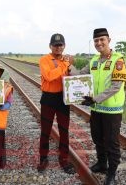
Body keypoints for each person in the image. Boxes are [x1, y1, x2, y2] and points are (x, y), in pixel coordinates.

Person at [80, 28, 126, 185]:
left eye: (102, 40)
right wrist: (68, 65)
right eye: (96, 41)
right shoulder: (93, 60)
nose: (99, 43)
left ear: (109, 40)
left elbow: (116, 87)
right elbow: (80, 75)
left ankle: (112, 173)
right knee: (97, 138)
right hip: (96, 109)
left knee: (112, 142)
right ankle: (102, 164)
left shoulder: (118, 60)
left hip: (112, 110)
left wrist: (95, 99)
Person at [38, 33, 75, 174]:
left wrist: (70, 68)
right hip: (48, 98)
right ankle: (43, 158)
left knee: (64, 131)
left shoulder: (67, 62)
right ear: (50, 46)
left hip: (63, 98)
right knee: (45, 130)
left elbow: (73, 78)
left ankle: (64, 159)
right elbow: (49, 76)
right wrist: (65, 64)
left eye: (60, 45)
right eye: (55, 45)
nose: (58, 47)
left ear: (64, 46)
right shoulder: (44, 60)